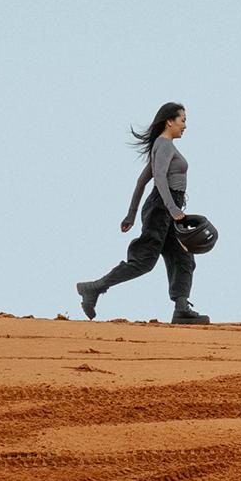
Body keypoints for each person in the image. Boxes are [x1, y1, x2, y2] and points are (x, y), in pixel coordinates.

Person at [76, 102, 209, 323]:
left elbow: (141, 181)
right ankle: (94, 288)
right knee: (144, 261)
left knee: (184, 257)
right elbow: (158, 178)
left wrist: (131, 213)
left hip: (165, 206)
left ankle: (181, 308)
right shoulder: (164, 145)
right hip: (162, 208)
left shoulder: (162, 146)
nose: (185, 125)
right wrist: (173, 209)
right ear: (170, 121)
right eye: (183, 120)